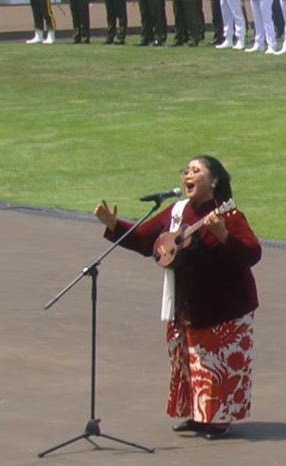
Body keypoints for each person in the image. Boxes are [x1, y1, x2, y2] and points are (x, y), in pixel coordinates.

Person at [92, 156, 261, 440]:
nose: (188, 175)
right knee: (189, 362)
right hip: (188, 302)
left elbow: (252, 254)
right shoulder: (177, 211)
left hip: (226, 305)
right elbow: (146, 240)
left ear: (214, 181)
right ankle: (198, 415)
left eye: (196, 171)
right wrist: (114, 225)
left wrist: (222, 234)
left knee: (220, 365)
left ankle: (219, 420)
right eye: (186, 171)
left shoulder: (228, 215)